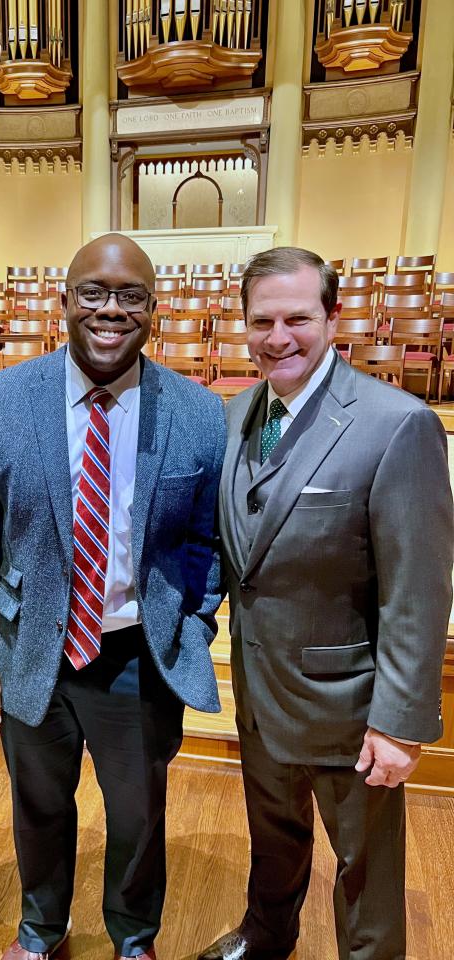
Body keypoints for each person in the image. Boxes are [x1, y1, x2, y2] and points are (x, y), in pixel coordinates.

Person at [0, 233, 226, 960]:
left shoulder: (198, 412)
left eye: (130, 296)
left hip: (138, 654)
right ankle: (42, 929)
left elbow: (209, 541)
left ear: (154, 311)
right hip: (32, 646)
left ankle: (134, 938)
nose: (111, 310)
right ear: (64, 301)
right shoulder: (1, 399)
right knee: (39, 806)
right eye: (93, 293)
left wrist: (192, 624)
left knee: (137, 816)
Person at [198, 246, 453, 960]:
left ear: (332, 316)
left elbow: (419, 588)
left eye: (297, 318)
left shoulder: (395, 424)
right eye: (262, 321)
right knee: (273, 840)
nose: (278, 337)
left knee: (364, 872)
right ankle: (266, 935)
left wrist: (400, 723)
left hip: (351, 704)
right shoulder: (238, 412)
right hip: (260, 688)